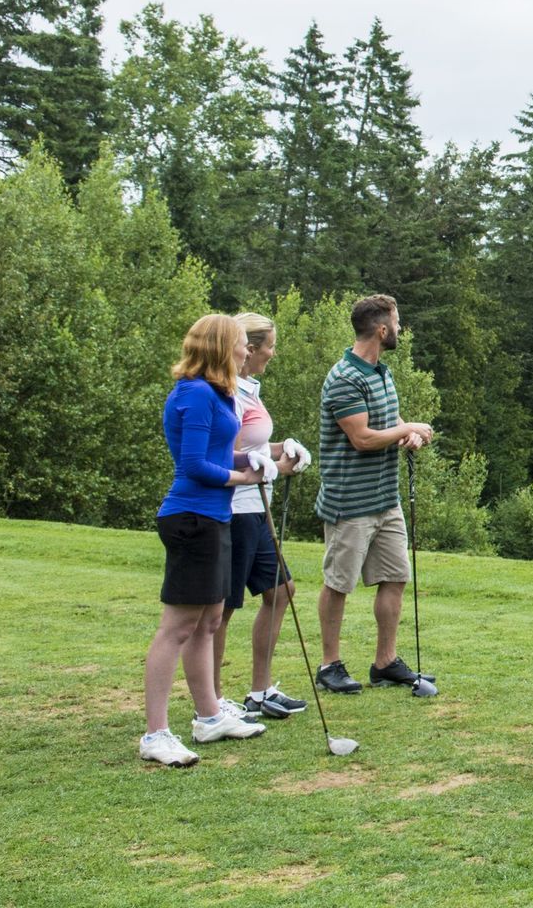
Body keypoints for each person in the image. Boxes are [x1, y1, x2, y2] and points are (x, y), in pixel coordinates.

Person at [140, 315, 273, 766]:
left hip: (214, 516)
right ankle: (155, 734)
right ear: (222, 347)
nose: (245, 351)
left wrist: (259, 459)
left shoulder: (217, 394)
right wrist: (243, 477)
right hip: (191, 518)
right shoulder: (195, 394)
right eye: (240, 344)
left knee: (210, 620)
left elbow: (219, 453)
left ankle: (209, 716)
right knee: (178, 625)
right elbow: (194, 464)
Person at [312, 294, 434, 695]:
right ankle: (330, 665)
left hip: (385, 499)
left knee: (395, 576)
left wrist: (407, 433)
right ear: (382, 330)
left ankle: (385, 662)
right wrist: (405, 429)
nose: (400, 329)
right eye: (397, 323)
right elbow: (362, 438)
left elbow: (388, 420)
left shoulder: (380, 372)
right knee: (339, 583)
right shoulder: (345, 378)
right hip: (350, 503)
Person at [211, 311, 313, 720]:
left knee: (280, 592)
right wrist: (272, 461)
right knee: (223, 608)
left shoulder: (250, 389)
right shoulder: (229, 392)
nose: (273, 352)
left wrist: (281, 449)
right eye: (269, 345)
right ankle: (214, 700)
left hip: (258, 508)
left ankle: (259, 690)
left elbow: (253, 445)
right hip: (234, 510)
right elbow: (224, 451)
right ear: (249, 349)